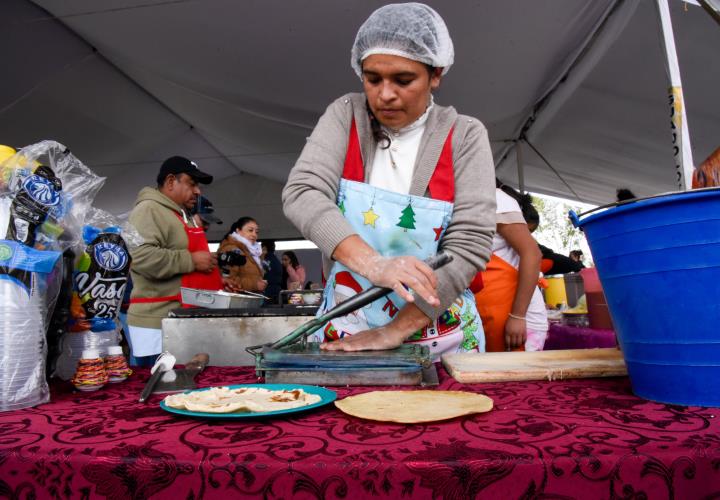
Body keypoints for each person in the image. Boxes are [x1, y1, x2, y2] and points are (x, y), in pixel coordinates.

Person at [282, 3, 495, 357]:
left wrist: (395, 331)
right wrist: (374, 264)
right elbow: (303, 192)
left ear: (436, 74)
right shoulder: (345, 115)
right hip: (349, 327)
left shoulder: (465, 135)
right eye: (372, 78)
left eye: (403, 80)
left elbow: (469, 243)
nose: (385, 95)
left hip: (437, 331)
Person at [127, 156, 220, 365]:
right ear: (170, 182)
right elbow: (140, 257)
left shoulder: (178, 214)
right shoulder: (149, 209)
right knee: (162, 390)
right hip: (155, 324)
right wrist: (191, 260)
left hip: (176, 319)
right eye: (192, 183)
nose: (198, 191)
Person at [474, 182, 548, 352]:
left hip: (516, 317)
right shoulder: (467, 201)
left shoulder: (496, 197)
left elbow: (533, 254)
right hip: (494, 311)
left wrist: (517, 316)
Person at [218, 217, 267, 293]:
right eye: (250, 230)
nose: (254, 234)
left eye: (256, 232)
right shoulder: (231, 249)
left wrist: (260, 283)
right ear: (238, 231)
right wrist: (254, 284)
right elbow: (228, 280)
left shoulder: (251, 251)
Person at [261, 240, 283, 304]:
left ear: (264, 248)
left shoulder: (266, 261)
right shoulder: (277, 261)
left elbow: (261, 275)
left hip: (268, 291)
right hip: (277, 291)